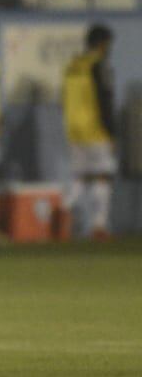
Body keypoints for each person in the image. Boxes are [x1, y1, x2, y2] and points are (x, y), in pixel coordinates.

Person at [60, 24, 116, 240]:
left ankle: (61, 212)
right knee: (102, 176)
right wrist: (111, 133)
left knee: (81, 178)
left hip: (74, 130)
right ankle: (99, 226)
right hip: (95, 129)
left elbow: (64, 99)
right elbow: (105, 100)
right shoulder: (99, 66)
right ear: (102, 43)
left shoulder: (72, 65)